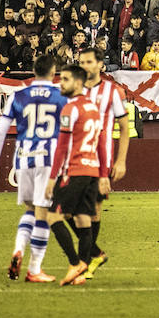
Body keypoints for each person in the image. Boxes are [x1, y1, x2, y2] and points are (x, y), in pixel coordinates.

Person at [0, 53, 67, 283]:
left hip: (23, 158)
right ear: (53, 73)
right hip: (49, 159)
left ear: (33, 71)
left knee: (31, 210)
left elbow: (1, 130)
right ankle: (34, 269)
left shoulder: (18, 95)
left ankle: (19, 248)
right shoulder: (61, 95)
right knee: (45, 212)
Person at [47, 65, 108, 287]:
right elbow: (101, 143)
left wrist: (53, 178)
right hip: (92, 171)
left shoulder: (70, 109)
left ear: (79, 83)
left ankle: (75, 263)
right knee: (83, 221)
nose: (61, 83)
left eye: (65, 79)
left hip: (74, 171)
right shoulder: (93, 107)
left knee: (52, 216)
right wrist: (102, 174)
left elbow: (62, 147)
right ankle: (81, 273)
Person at [78, 47, 130, 278]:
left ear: (100, 64)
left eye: (89, 62)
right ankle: (94, 253)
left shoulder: (112, 91)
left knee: (94, 212)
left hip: (101, 160)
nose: (84, 66)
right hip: (76, 158)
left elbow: (125, 127)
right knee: (67, 210)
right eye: (81, 62)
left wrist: (120, 161)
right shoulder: (75, 89)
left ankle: (85, 262)